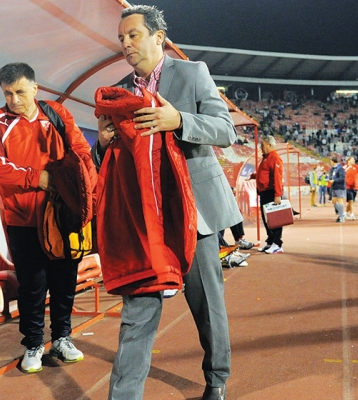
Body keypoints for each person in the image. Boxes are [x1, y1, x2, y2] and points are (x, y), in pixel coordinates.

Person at [92, 5, 241, 399]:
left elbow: (226, 130)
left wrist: (180, 121)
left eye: (133, 35)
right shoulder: (119, 91)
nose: (125, 44)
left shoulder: (193, 73)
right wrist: (102, 144)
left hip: (195, 214)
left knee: (207, 306)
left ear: (158, 37)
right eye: (121, 38)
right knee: (137, 314)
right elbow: (106, 160)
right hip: (146, 220)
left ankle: (216, 380)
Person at [0, 62, 96, 373]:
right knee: (32, 285)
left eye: (20, 91)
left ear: (35, 88)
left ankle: (62, 338)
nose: (14, 99)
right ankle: (33, 344)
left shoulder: (56, 113)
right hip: (22, 219)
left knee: (64, 280)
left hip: (61, 215)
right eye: (7, 93)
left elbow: (81, 150)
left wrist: (79, 183)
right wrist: (38, 177)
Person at [252, 134, 285, 254]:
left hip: (271, 192)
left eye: (263, 145)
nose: (261, 147)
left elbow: (277, 177)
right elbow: (265, 173)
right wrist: (254, 176)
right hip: (264, 193)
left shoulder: (274, 157)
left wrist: (278, 195)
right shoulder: (266, 158)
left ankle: (277, 244)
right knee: (267, 219)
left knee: (275, 219)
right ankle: (270, 241)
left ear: (270, 145)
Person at [329, 156, 347, 223]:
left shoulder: (340, 168)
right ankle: (341, 213)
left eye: (330, 161)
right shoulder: (334, 169)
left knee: (340, 200)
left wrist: (334, 180)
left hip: (339, 187)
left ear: (333, 161)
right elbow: (332, 176)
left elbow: (342, 178)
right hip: (334, 187)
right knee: (333, 201)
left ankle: (342, 217)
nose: (330, 162)